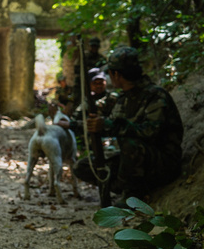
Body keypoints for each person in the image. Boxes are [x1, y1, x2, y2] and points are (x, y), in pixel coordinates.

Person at [72, 46, 183, 207]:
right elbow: (111, 124)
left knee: (130, 145)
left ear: (116, 74)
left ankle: (133, 195)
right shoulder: (123, 98)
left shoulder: (155, 95)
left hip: (162, 163)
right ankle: (131, 188)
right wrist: (86, 125)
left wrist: (110, 126)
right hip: (134, 162)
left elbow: (151, 132)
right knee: (83, 167)